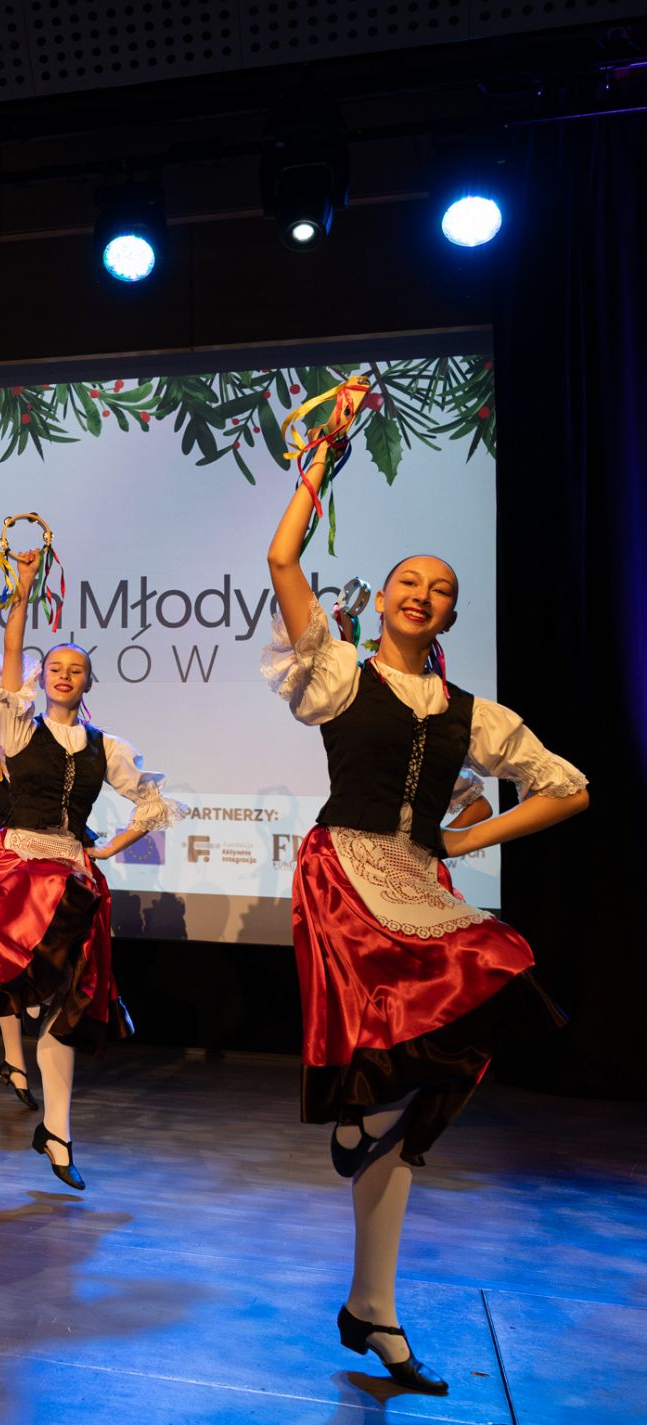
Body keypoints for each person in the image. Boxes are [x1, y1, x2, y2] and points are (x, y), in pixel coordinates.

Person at [264, 403, 587, 1393]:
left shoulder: (472, 715)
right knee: (388, 1073)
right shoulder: (335, 673)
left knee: (490, 996)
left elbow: (569, 787)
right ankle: (358, 1139)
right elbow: (283, 561)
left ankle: (373, 1306)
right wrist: (321, 462)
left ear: (449, 617)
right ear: (383, 600)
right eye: (410, 580)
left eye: (440, 589)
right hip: (343, 876)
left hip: (416, 880)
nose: (423, 594)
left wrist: (469, 837)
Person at [0, 548, 185, 1191]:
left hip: (73, 876)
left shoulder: (107, 746)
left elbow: (152, 801)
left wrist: (110, 848)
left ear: (88, 683)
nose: (63, 675)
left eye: (75, 669)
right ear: (41, 676)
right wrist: (22, 592)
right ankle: (23, 1049)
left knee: (65, 1009)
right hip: (18, 873)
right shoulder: (18, 728)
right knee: (40, 996)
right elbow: (12, 658)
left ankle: (57, 1131)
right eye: (54, 667)